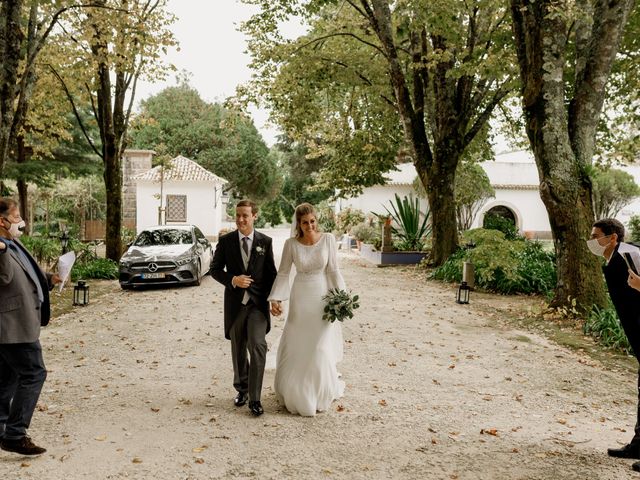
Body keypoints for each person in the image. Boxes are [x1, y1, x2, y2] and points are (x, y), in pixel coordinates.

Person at [268, 203, 346, 416]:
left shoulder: (328, 239)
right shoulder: (291, 244)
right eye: (305, 222)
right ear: (298, 224)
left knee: (319, 345)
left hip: (322, 298)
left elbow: (333, 270)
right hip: (301, 298)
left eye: (312, 221)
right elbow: (283, 273)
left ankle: (319, 391)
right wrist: (276, 298)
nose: (309, 225)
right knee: (298, 343)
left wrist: (341, 298)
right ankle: (296, 391)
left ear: (316, 220)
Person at [0, 197, 61, 455]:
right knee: (34, 373)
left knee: (7, 378)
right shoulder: (2, 247)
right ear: (1, 221)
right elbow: (4, 278)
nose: (20, 222)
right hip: (12, 326)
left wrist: (49, 278)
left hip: (18, 324)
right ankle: (14, 433)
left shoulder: (14, 242)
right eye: (16, 217)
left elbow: (28, 270)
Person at [210, 200, 277, 417]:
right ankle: (242, 389)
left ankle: (255, 399)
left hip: (257, 305)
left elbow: (271, 274)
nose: (240, 219)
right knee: (238, 347)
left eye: (245, 215)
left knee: (257, 345)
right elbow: (215, 269)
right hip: (235, 305)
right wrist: (233, 280)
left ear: (254, 216)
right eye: (238, 215)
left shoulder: (265, 242)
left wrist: (275, 299)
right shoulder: (227, 241)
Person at [588, 219, 640, 471]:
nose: (591, 241)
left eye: (596, 235)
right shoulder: (617, 259)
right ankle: (639, 443)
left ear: (612, 238)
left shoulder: (628, 257)